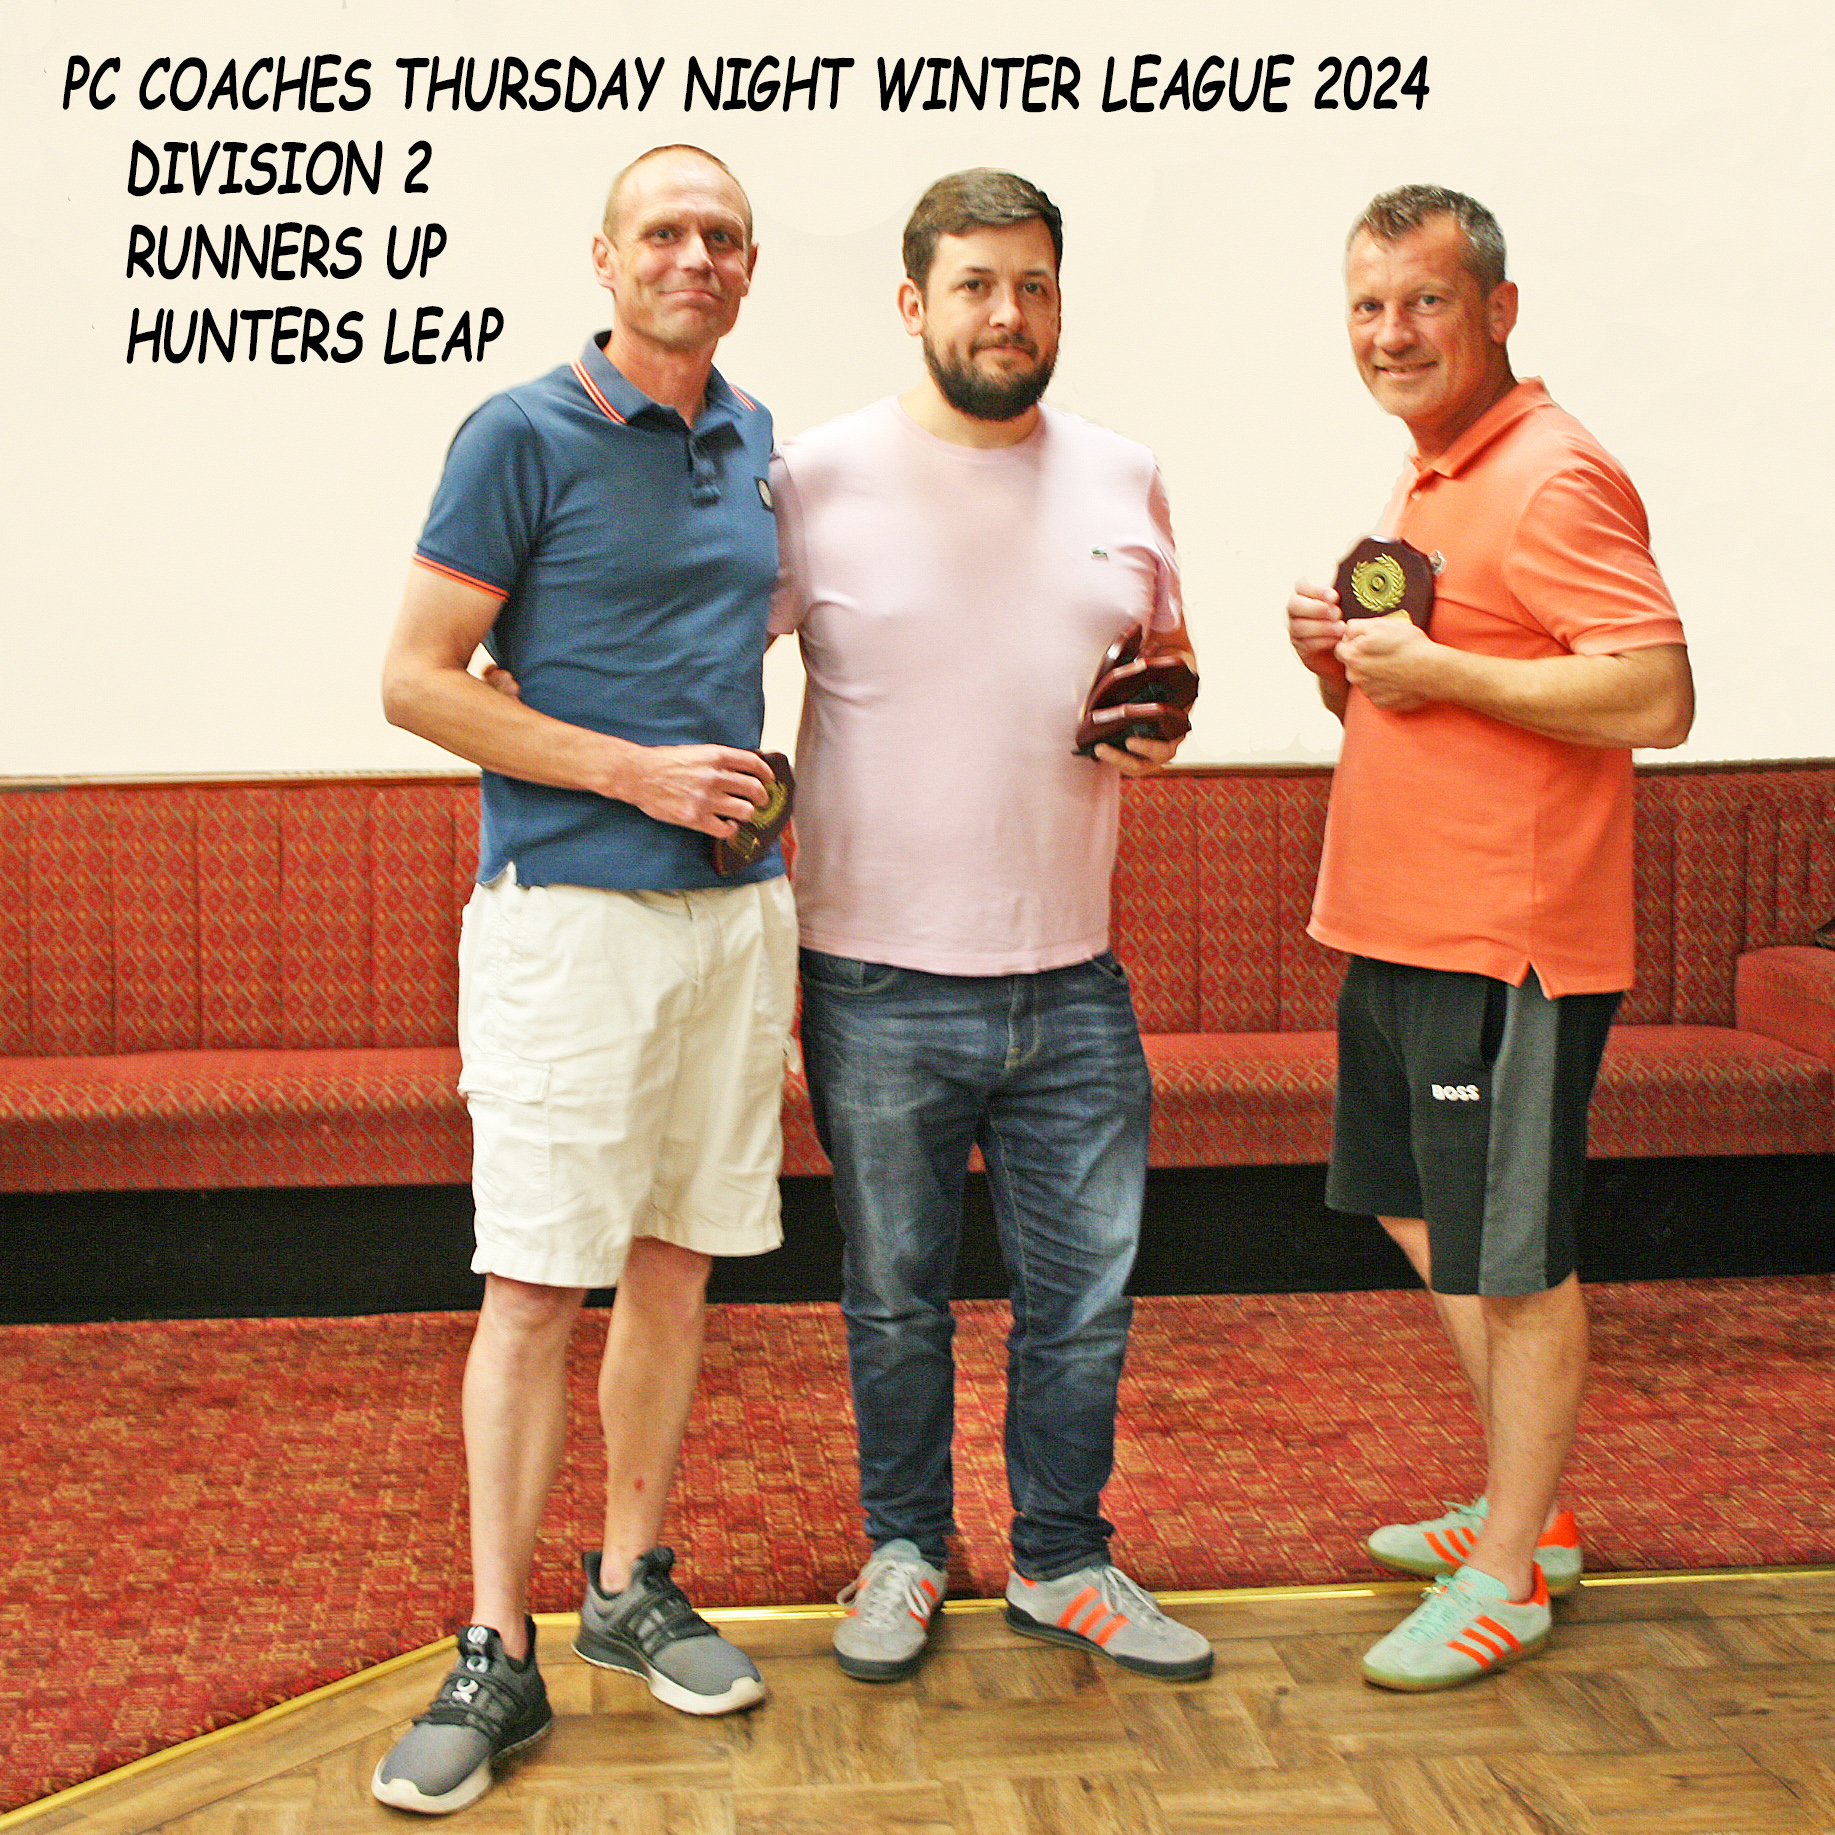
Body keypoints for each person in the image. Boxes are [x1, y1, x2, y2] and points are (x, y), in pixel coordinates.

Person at [370, 145, 792, 1815]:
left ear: (748, 268)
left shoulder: (757, 442)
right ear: (606, 261)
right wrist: (633, 774)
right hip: (566, 922)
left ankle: (627, 1585)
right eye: (663, 232)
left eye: (722, 236)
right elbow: (416, 681)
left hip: (732, 923)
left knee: (676, 1268)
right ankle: (497, 1646)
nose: (695, 256)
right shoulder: (517, 433)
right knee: (538, 1290)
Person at [772, 169, 1214, 1686]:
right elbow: (702, 660)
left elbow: (1164, 669)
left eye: (1033, 285)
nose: (1006, 313)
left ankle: (1061, 1559)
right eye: (974, 285)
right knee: (895, 1302)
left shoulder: (1124, 472)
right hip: (873, 978)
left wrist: (1160, 730)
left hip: (1074, 976)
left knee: (1082, 1308)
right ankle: (903, 1549)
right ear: (914, 303)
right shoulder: (816, 476)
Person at [1286, 185, 1693, 1691]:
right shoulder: (1433, 474)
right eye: (1369, 306)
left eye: (1427, 301)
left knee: (1514, 1262)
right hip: (1399, 930)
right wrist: (1344, 666)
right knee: (1421, 1214)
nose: (1392, 333)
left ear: (1499, 310)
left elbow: (1656, 692)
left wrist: (1442, 670)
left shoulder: (1555, 474)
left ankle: (1511, 1566)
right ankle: (1530, 1505)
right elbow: (1435, 694)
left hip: (1504, 949)